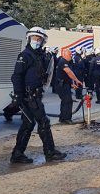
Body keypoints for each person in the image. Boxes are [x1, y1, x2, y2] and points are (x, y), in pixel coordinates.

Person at [10, 27, 66, 163]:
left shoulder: (38, 55)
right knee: (43, 122)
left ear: (42, 41)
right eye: (34, 38)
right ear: (29, 38)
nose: (36, 40)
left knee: (28, 124)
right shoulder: (25, 55)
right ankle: (50, 152)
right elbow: (16, 76)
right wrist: (18, 95)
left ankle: (17, 154)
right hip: (29, 96)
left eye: (39, 38)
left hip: (34, 95)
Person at [55, 49, 83, 124]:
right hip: (61, 85)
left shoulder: (66, 62)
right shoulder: (63, 62)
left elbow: (65, 76)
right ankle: (66, 119)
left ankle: (63, 118)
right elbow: (69, 72)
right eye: (69, 54)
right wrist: (77, 80)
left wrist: (72, 84)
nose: (71, 55)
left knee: (65, 101)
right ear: (64, 55)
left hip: (64, 84)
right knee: (67, 101)